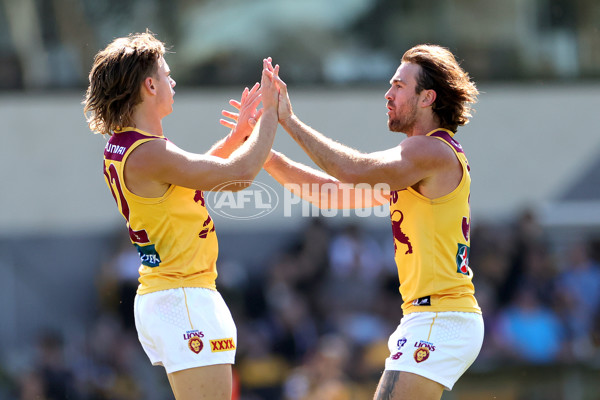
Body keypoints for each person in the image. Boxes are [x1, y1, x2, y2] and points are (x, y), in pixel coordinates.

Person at [259, 45, 483, 399]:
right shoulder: (418, 159)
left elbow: (353, 170)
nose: (388, 94)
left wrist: (288, 120)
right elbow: (333, 193)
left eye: (398, 86)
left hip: (440, 316)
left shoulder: (428, 150)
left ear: (427, 98)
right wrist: (265, 157)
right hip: (431, 316)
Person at [83, 31, 279, 400]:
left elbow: (189, 178)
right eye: (167, 74)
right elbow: (238, 177)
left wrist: (236, 139)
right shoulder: (149, 152)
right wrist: (272, 113)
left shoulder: (131, 145)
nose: (173, 82)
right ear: (150, 85)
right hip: (184, 297)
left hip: (169, 295)